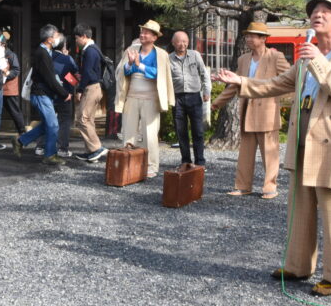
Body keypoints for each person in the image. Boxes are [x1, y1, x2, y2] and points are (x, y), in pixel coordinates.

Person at [213, 0, 331, 297]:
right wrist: (241, 82)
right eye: (315, 11)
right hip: (303, 143)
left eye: (326, 12)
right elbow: (273, 86)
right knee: (300, 208)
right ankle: (298, 266)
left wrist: (320, 63)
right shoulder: (304, 60)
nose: (318, 15)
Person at [212, 23, 290, 198]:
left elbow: (289, 79)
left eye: (253, 36)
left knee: (270, 153)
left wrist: (284, 99)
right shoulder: (243, 59)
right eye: (247, 36)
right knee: (245, 154)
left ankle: (270, 187)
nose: (248, 39)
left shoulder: (276, 56)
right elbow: (235, 84)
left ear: (263, 39)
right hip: (247, 111)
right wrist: (218, 102)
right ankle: (243, 186)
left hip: (267, 111)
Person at [115, 20, 174, 178]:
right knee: (128, 131)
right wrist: (129, 64)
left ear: (154, 37)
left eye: (147, 32)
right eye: (142, 31)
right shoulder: (132, 49)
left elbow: (160, 75)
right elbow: (122, 71)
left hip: (150, 97)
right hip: (132, 95)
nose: (142, 34)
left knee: (150, 133)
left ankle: (151, 166)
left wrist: (139, 65)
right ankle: (128, 162)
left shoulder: (161, 54)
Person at [11, 24, 71, 165]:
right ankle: (50, 154)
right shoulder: (42, 53)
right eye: (56, 36)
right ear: (50, 39)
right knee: (53, 125)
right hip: (41, 94)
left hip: (43, 94)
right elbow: (49, 78)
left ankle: (20, 141)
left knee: (47, 125)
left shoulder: (45, 52)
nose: (58, 38)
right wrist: (64, 94)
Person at [169, 30, 212, 169]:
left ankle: (200, 162)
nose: (182, 44)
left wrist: (206, 91)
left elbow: (204, 74)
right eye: (179, 41)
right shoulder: (168, 59)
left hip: (194, 96)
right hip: (177, 98)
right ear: (173, 43)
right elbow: (165, 80)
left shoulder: (195, 55)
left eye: (185, 41)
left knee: (198, 131)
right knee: (181, 131)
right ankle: (185, 161)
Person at [36, 34, 78, 159]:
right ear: (64, 45)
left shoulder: (45, 56)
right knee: (64, 121)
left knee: (46, 119)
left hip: (46, 94)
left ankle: (40, 147)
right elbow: (75, 78)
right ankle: (62, 148)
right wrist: (67, 79)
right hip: (64, 95)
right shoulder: (68, 59)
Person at [72, 23, 108, 163]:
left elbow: (87, 72)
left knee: (82, 118)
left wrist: (80, 89)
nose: (76, 41)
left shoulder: (89, 51)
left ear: (84, 37)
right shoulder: (94, 49)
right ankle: (91, 152)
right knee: (88, 119)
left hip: (91, 87)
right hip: (95, 87)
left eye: (77, 38)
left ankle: (96, 148)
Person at [1, 40, 26, 135]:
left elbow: (16, 70)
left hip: (9, 88)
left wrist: (6, 75)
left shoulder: (10, 55)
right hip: (0, 87)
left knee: (14, 110)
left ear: (4, 44)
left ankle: (22, 131)